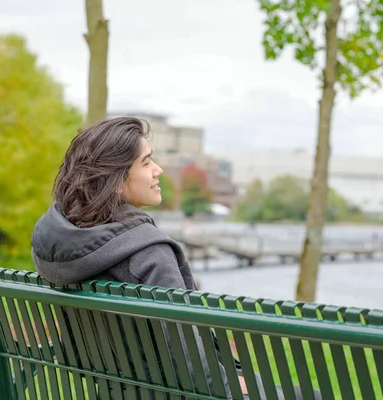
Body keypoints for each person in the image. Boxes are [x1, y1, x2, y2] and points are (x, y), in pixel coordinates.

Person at [31, 117, 319, 399]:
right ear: (116, 180)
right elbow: (195, 369)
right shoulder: (147, 254)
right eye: (146, 162)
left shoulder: (57, 249)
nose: (158, 171)